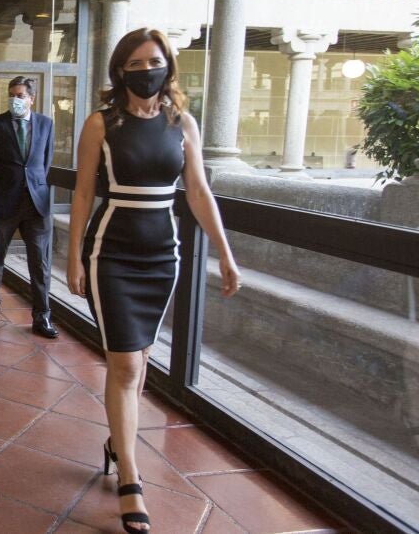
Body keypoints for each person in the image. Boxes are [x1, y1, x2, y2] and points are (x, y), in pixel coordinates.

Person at [66, 28, 241, 533]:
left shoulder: (182, 122)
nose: (147, 70)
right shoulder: (101, 123)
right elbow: (83, 194)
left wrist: (225, 254)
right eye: (136, 63)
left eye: (155, 61)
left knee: (138, 362)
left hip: (163, 257)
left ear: (169, 66)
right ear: (120, 70)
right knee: (124, 364)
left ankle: (116, 443)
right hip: (112, 253)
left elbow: (199, 192)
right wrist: (73, 257)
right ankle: (131, 476)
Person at [0, 76, 58, 338]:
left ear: (31, 99)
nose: (15, 99)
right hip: (4, 201)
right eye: (12, 95)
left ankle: (42, 316)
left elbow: (44, 163)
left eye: (20, 95)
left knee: (39, 263)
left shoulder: (46, 124)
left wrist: (34, 185)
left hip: (36, 204)